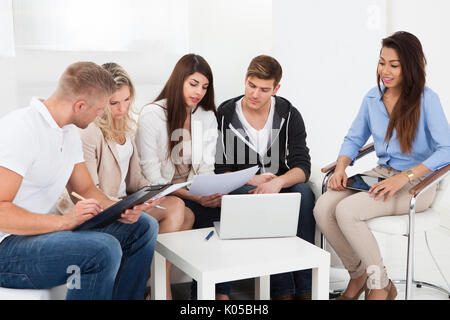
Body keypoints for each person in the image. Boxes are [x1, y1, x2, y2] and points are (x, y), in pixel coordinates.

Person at [0, 62, 159, 300]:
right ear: (80, 105)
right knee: (103, 250)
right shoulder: (21, 129)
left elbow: (85, 189)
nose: (101, 115)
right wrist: (65, 222)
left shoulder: (68, 131)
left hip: (40, 235)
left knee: (142, 227)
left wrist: (123, 209)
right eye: (99, 109)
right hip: (8, 248)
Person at [313, 31, 450, 300]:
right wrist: (341, 166)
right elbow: (354, 138)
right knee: (323, 207)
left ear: (410, 67)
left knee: (347, 211)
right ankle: (359, 274)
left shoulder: (427, 100)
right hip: (381, 175)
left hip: (416, 185)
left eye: (394, 65)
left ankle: (378, 285)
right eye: (382, 62)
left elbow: (447, 149)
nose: (385, 71)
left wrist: (405, 177)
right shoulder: (373, 98)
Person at [57, 62, 192, 300]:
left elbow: (136, 181)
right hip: (96, 209)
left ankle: (154, 285)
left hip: (121, 201)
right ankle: (158, 291)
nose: (121, 109)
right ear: (100, 101)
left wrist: (148, 197)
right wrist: (123, 207)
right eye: (113, 103)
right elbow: (88, 190)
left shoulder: (127, 127)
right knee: (166, 215)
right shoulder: (89, 131)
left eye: (127, 100)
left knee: (183, 211)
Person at [215, 55, 316, 300]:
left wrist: (278, 182)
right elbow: (219, 169)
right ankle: (283, 291)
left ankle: (305, 290)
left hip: (279, 185)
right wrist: (252, 180)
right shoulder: (225, 114)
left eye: (264, 89)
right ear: (245, 80)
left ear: (276, 89)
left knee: (303, 193)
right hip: (243, 187)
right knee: (245, 200)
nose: (255, 94)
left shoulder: (288, 113)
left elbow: (302, 166)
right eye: (251, 86)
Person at [135, 54, 224, 298]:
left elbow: (206, 167)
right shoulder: (153, 114)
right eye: (193, 84)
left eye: (204, 87)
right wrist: (195, 197)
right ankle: (160, 289)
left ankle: (205, 291)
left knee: (215, 210)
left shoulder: (205, 115)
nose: (199, 92)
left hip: (189, 192)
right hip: (156, 192)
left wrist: (209, 191)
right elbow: (152, 177)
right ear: (179, 81)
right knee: (184, 213)